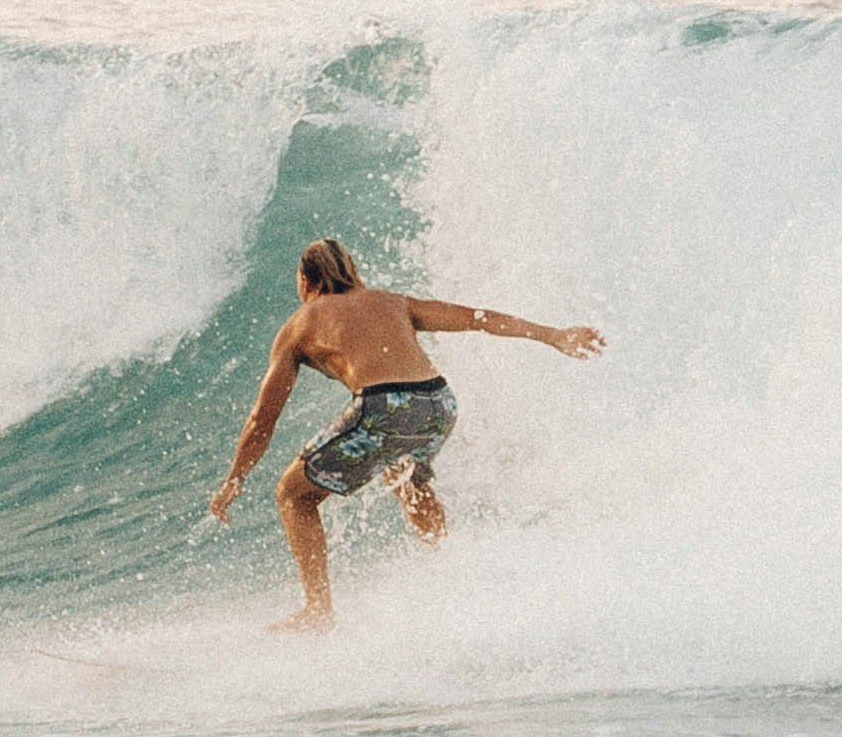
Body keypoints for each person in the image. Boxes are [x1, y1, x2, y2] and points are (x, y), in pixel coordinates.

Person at [208, 235, 604, 626]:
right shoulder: (394, 302)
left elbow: (263, 418)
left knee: (293, 495)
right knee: (405, 476)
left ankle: (317, 610)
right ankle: (449, 570)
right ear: (352, 271)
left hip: (387, 407)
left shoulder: (299, 325)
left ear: (305, 281)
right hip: (438, 404)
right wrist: (554, 335)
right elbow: (476, 318)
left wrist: (234, 479)